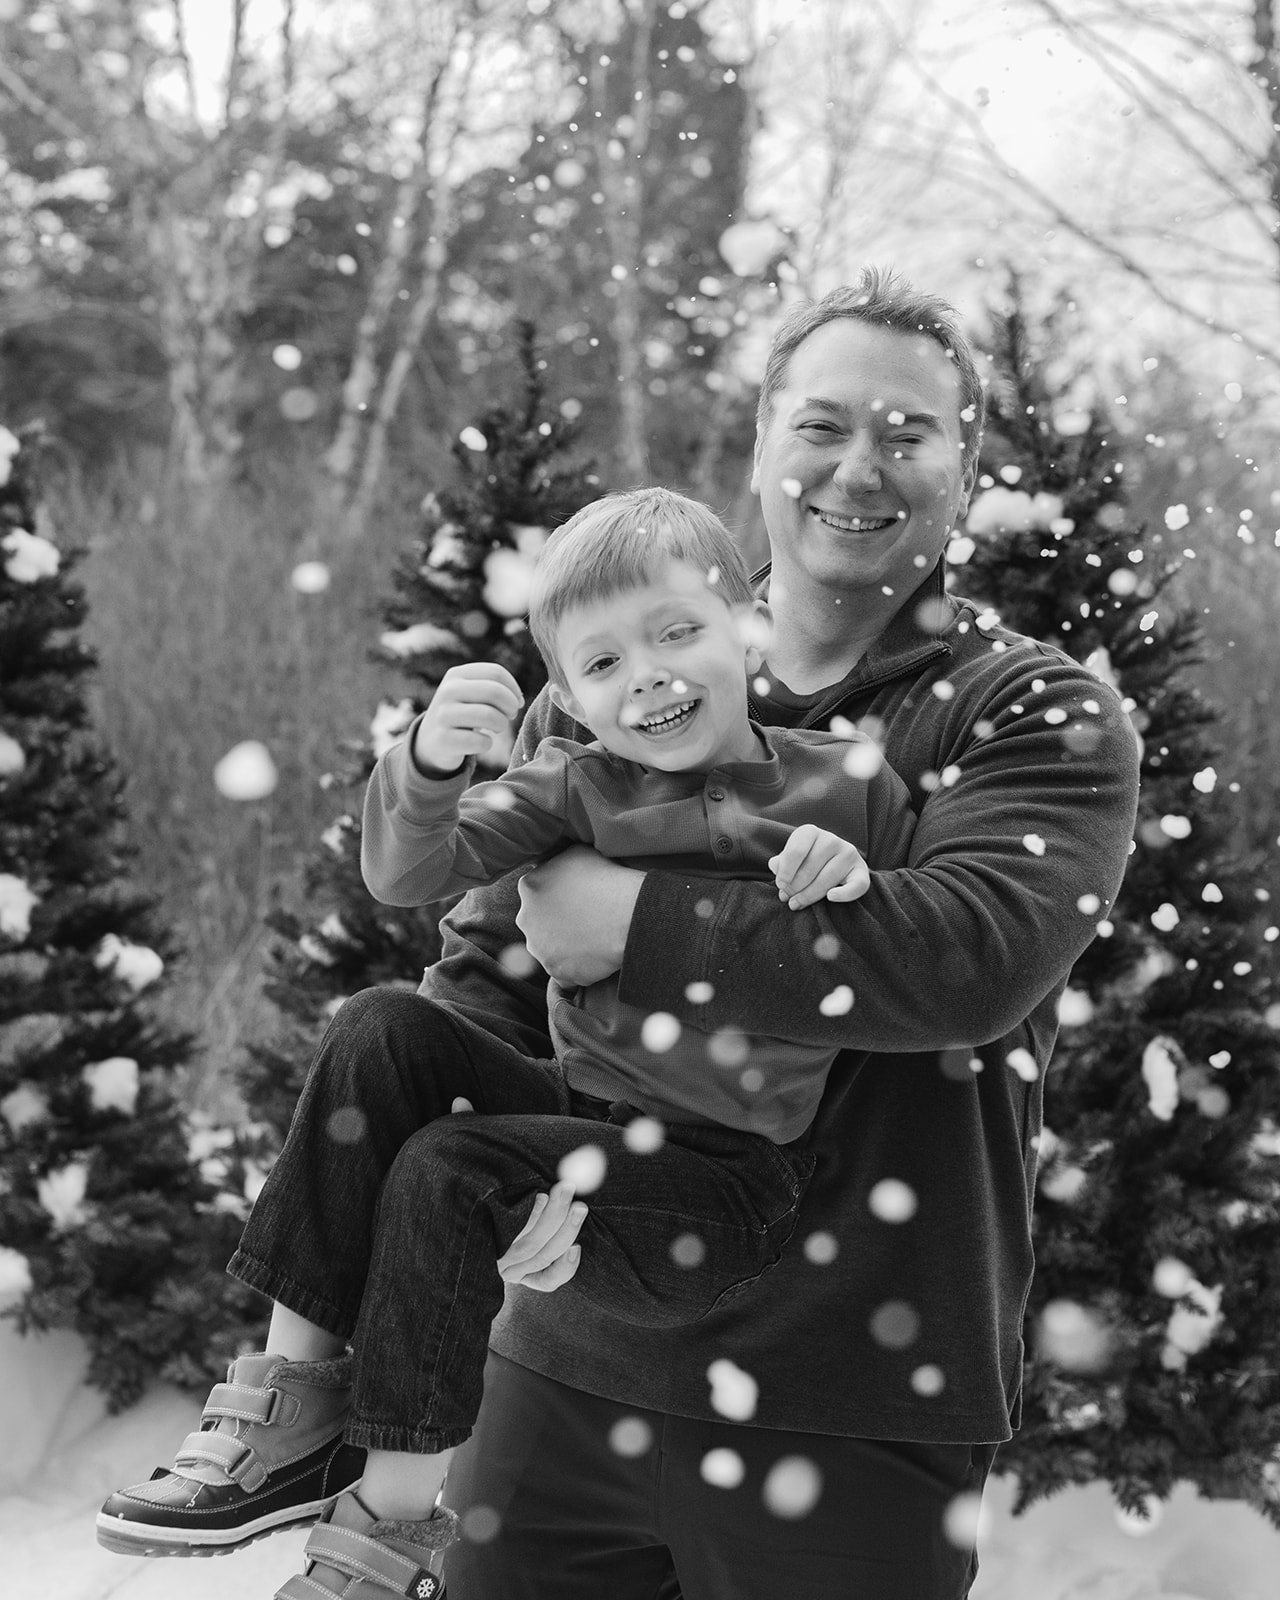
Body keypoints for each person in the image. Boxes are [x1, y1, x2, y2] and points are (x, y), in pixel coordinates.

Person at [430, 267, 1140, 1599]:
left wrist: (636, 922)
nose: (857, 465)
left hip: (859, 1398)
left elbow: (956, 964)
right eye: (821, 423)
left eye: (908, 431)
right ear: (761, 435)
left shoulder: (1029, 711)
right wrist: (483, 1168)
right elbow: (482, 967)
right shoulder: (627, 672)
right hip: (561, 1364)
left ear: (964, 466)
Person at [96, 487, 918, 1596]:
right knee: (377, 1025)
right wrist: (430, 764)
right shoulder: (574, 782)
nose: (651, 678)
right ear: (569, 696)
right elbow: (408, 873)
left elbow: (903, 937)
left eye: (678, 632)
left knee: (449, 1168)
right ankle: (292, 1405)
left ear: (746, 626)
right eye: (604, 663)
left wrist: (843, 871)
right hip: (585, 1120)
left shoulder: (841, 778)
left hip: (725, 1183)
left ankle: (386, 1533)